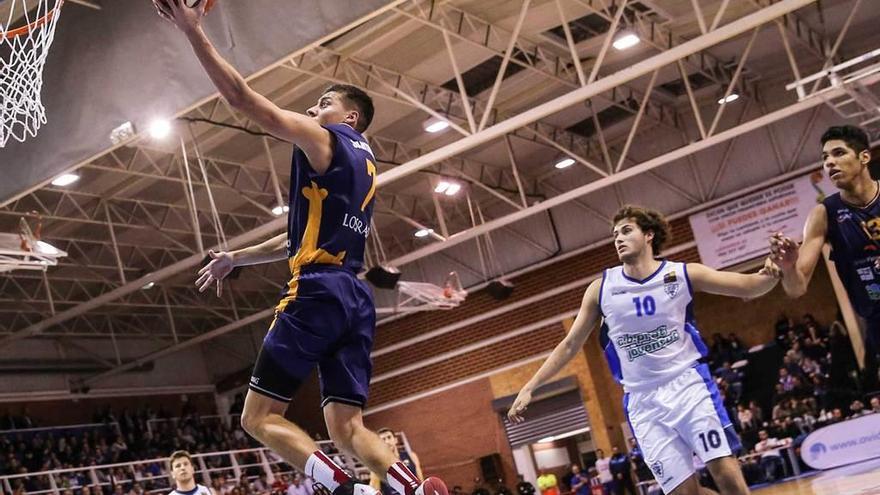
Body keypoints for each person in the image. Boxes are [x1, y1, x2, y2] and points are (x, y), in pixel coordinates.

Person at [153, 4, 446, 495]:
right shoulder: (366, 167)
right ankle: (411, 489)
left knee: (258, 416)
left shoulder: (327, 139)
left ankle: (340, 489)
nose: (313, 110)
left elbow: (243, 99)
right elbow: (296, 235)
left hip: (317, 293)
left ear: (349, 116)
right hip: (354, 298)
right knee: (346, 428)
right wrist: (237, 258)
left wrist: (192, 31)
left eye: (323, 102)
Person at [509, 205, 781, 495]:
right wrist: (530, 387)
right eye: (615, 234)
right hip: (642, 401)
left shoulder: (681, 274)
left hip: (688, 386)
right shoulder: (601, 289)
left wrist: (773, 273)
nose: (618, 239)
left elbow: (747, 287)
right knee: (684, 493)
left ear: (649, 235)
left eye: (626, 231)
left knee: (727, 476)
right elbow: (570, 344)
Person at [770, 125, 880, 392]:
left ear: (864, 157)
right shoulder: (823, 214)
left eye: (839, 153)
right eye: (825, 157)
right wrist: (787, 266)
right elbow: (796, 288)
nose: (829, 162)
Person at [370, 429, 423, 495]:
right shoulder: (377, 464)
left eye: (389, 437)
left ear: (395, 440)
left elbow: (421, 481)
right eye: (383, 439)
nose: (387, 441)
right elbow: (374, 490)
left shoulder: (411, 456)